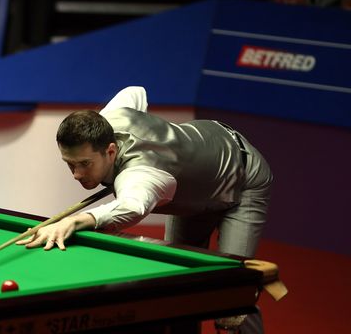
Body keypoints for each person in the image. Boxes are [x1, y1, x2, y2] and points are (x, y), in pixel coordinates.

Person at [18, 86, 273, 334]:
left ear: (110, 150)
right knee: (178, 285)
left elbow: (133, 206)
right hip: (196, 182)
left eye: (85, 164)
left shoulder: (141, 174)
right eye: (69, 164)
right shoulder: (107, 120)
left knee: (233, 297)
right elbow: (135, 91)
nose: (76, 174)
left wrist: (74, 222)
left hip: (242, 177)